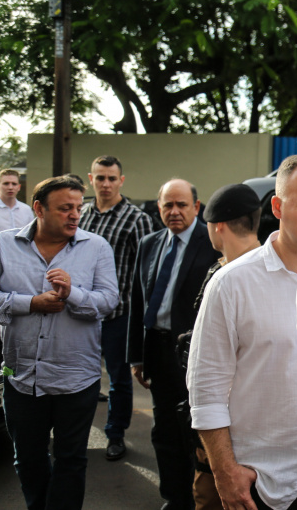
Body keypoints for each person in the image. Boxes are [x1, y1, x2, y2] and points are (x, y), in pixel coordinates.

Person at [189, 157, 297, 510]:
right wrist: (224, 472)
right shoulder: (231, 284)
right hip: (261, 481)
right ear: (278, 207)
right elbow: (205, 389)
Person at [0, 175, 118, 510]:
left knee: (71, 460)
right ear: (38, 208)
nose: (75, 215)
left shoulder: (96, 247)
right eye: (65, 208)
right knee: (28, 460)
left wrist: (73, 294)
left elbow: (109, 301)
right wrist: (30, 303)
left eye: (78, 207)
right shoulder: (2, 245)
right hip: (21, 378)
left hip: (76, 379)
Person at [128, 178, 220, 510]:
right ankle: (173, 497)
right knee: (163, 432)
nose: (175, 211)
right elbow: (138, 301)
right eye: (168, 205)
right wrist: (136, 356)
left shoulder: (210, 242)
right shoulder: (150, 243)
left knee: (194, 434)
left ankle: (199, 498)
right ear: (158, 208)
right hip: (158, 351)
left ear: (197, 207)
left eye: (182, 204)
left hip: (195, 356)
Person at [178, 183, 262, 510]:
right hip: (232, 426)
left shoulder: (232, 277)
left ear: (218, 227)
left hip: (230, 431)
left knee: (213, 497)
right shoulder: (223, 267)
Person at [79, 155, 155, 461]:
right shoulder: (83, 215)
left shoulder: (137, 220)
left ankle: (115, 434)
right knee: (80, 379)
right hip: (82, 314)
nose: (106, 184)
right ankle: (77, 434)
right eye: (100, 178)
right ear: (91, 179)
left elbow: (145, 273)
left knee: (118, 381)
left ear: (121, 181)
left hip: (118, 315)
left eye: (111, 178)